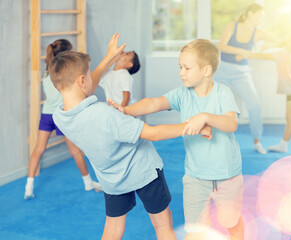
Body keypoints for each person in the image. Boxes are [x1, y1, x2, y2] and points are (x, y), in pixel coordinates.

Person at [49, 43, 212, 239]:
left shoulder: (59, 116)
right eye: (90, 75)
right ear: (82, 81)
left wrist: (109, 57)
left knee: (113, 226)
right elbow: (153, 133)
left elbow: (84, 87)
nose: (94, 77)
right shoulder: (105, 115)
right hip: (142, 170)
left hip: (111, 178)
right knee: (163, 223)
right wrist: (191, 126)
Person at [108, 39, 244, 240]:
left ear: (206, 70)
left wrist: (205, 117)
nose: (181, 72)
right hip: (195, 177)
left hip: (228, 177)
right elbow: (154, 103)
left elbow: (231, 123)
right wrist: (126, 110)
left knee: (231, 222)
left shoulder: (223, 93)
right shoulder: (182, 94)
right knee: (195, 230)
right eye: (180, 67)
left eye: (187, 68)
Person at [24, 39, 102, 200]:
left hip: (47, 114)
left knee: (38, 149)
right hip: (62, 115)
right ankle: (88, 182)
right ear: (66, 56)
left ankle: (28, 187)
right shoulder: (65, 76)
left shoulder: (47, 74)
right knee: (75, 151)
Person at [214, 3, 282, 154]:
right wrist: (243, 51)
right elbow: (222, 46)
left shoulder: (258, 33)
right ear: (250, 13)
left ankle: (257, 141)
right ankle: (213, 141)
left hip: (242, 73)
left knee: (255, 106)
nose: (261, 19)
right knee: (217, 107)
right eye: (260, 16)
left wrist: (266, 48)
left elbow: (281, 42)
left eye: (263, 17)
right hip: (223, 70)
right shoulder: (232, 26)